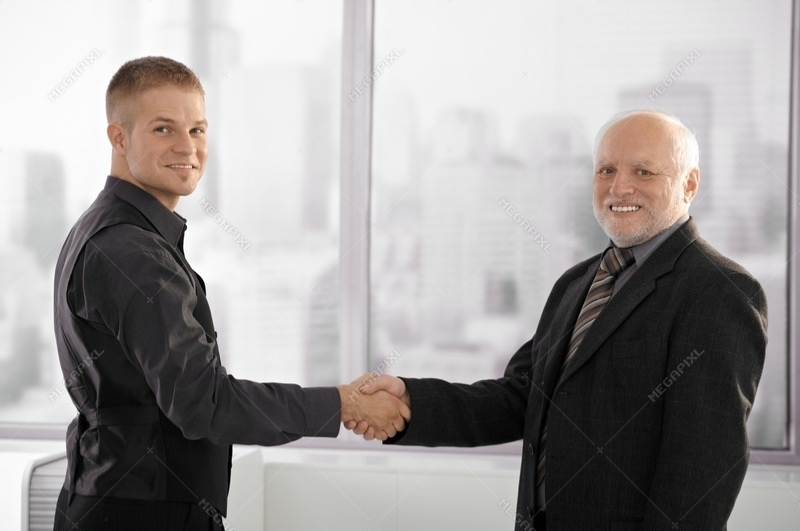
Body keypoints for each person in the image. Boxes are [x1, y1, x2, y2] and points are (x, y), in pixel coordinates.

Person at [349, 110, 768, 531]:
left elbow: (699, 475)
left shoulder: (719, 291)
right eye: (606, 169)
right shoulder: (577, 282)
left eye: (643, 171)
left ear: (689, 184)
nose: (619, 186)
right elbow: (520, 398)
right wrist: (410, 403)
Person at [52, 56, 409, 531]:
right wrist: (342, 404)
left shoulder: (110, 231)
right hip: (141, 514)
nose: (188, 147)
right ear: (119, 137)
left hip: (121, 500)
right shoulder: (132, 252)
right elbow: (204, 402)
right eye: (163, 129)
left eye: (197, 129)